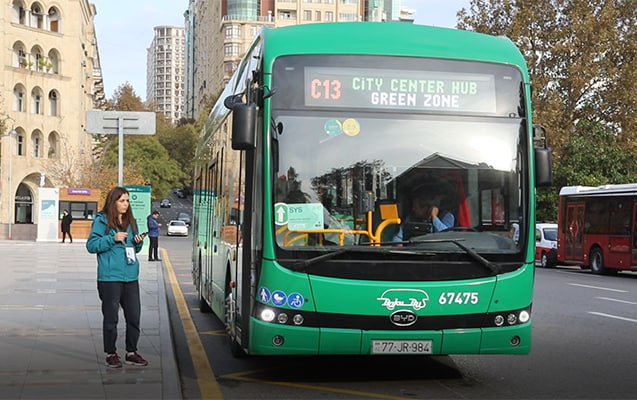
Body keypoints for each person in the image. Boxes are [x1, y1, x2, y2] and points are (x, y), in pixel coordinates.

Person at [86, 186, 148, 368]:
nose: (126, 204)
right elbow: (91, 245)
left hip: (130, 276)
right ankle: (111, 353)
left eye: (127, 200)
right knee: (111, 318)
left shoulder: (131, 221)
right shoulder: (102, 220)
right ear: (113, 202)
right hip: (110, 278)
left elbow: (133, 249)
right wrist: (111, 239)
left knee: (134, 316)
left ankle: (131, 351)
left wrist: (138, 243)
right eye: (122, 201)